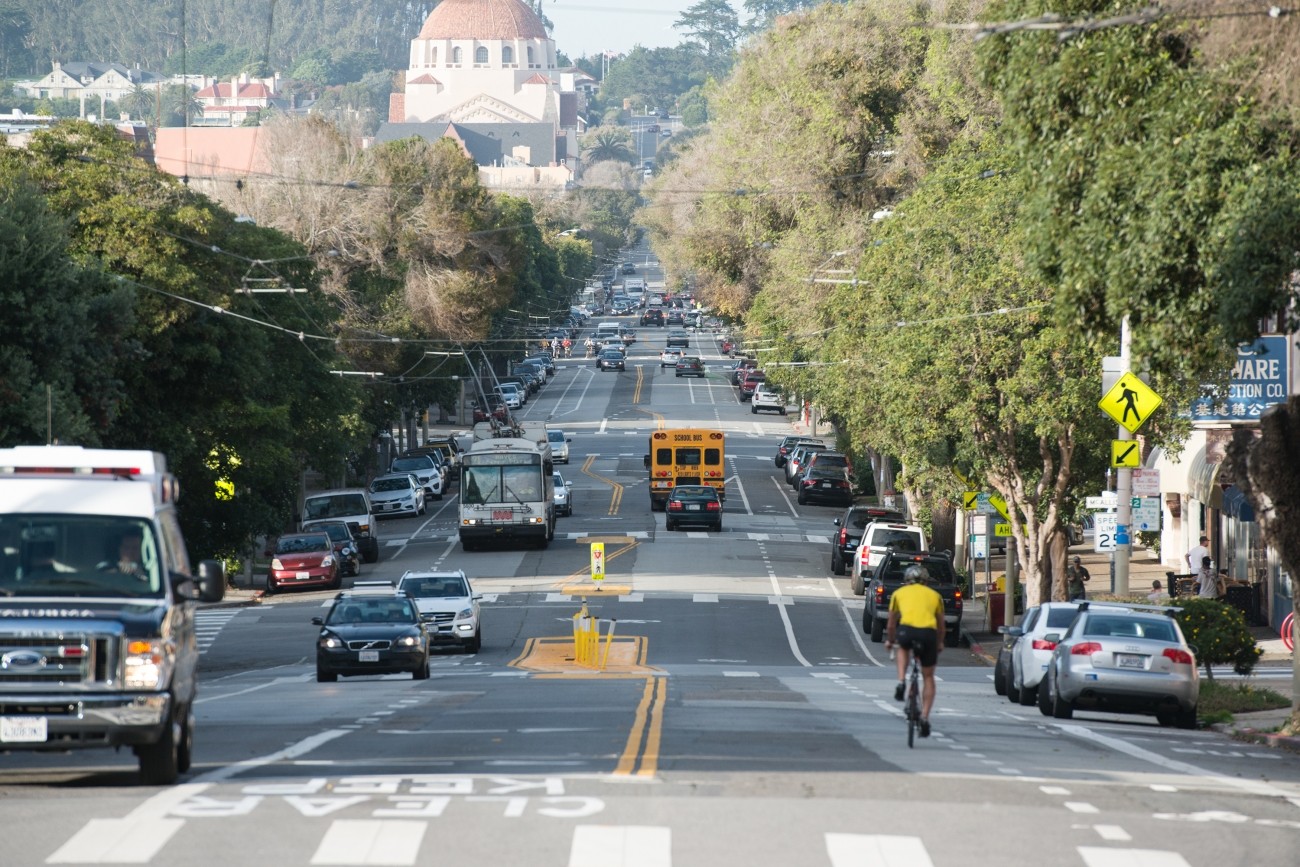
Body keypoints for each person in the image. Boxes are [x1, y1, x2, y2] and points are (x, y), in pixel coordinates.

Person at [885, 564, 945, 739]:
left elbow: (890, 624)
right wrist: (940, 643)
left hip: (907, 631)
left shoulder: (898, 594)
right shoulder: (936, 596)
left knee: (902, 648)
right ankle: (925, 717)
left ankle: (902, 680)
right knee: (928, 677)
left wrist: (890, 640)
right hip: (928, 634)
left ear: (906, 580)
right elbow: (941, 626)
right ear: (926, 581)